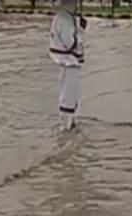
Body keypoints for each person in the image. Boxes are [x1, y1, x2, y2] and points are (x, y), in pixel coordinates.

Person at [49, 0, 87, 130]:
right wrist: (81, 31)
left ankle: (70, 123)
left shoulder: (65, 17)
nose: (76, 6)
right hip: (67, 61)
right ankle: (66, 126)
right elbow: (70, 43)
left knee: (70, 94)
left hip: (68, 62)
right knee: (68, 94)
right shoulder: (64, 19)